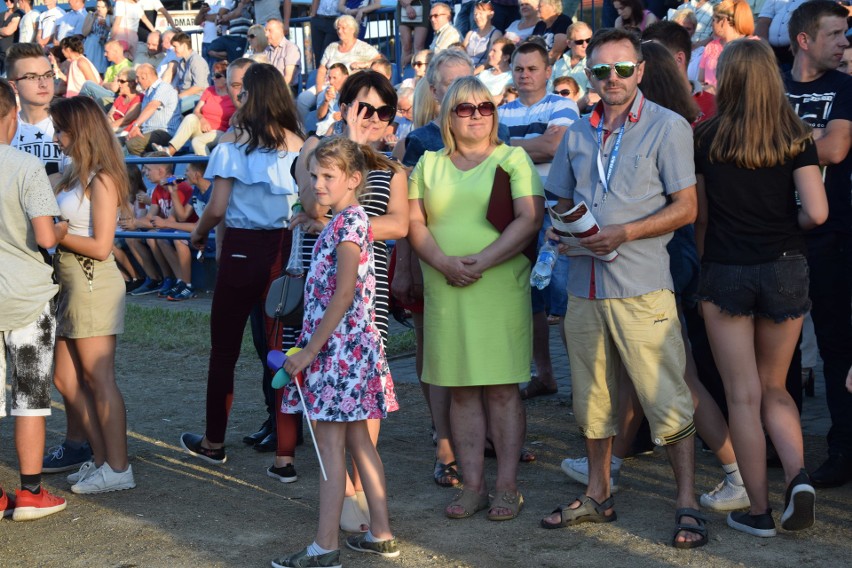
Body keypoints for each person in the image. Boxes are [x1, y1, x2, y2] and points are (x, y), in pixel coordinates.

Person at [540, 28, 707, 549]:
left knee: (667, 398)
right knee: (592, 399)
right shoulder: (577, 133)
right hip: (585, 287)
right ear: (588, 74)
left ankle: (687, 502)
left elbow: (687, 208)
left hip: (642, 285)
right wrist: (558, 229)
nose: (611, 79)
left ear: (640, 71)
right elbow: (557, 199)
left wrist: (626, 231)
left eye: (622, 69)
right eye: (600, 71)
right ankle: (598, 493)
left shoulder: (669, 125)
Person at [694, 38, 828, 536]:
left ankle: (759, 513)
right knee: (775, 387)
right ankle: (797, 475)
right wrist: (782, 222)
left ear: (725, 80)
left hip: (726, 268)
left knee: (741, 396)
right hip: (785, 265)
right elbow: (817, 212)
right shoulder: (795, 135)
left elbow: (702, 217)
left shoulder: (705, 137)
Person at [408, 75, 543, 521]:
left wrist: (480, 261)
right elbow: (416, 224)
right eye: (466, 108)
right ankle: (473, 485)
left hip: (499, 288)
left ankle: (507, 486)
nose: (478, 115)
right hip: (447, 289)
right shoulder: (428, 163)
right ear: (448, 115)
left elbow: (529, 219)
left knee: (503, 389)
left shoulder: (513, 158)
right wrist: (444, 264)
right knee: (462, 391)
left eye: (485, 107)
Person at [272, 135, 399, 568]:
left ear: (353, 179)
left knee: (331, 453)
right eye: (314, 176)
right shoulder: (346, 221)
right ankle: (380, 532)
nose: (318, 184)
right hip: (350, 352)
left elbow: (343, 294)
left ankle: (325, 547)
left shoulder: (348, 224)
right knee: (360, 443)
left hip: (338, 354)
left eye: (328, 176)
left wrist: (308, 351)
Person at [291, 70, 407, 527]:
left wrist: (348, 231)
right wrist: (349, 142)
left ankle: (357, 505)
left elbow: (400, 225)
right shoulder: (317, 152)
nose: (374, 118)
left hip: (359, 293)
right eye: (364, 107)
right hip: (321, 286)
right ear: (345, 107)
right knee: (332, 410)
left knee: (360, 413)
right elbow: (309, 204)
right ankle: (353, 505)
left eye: (383, 111)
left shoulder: (391, 167)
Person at [179, 63, 304, 466]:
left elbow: (216, 209)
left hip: (241, 249)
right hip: (285, 252)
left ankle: (214, 443)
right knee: (280, 350)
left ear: (250, 95)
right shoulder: (299, 144)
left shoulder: (231, 144)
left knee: (224, 352)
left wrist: (197, 235)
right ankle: (285, 454)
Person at [50, 96, 136, 495]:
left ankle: (117, 467)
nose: (56, 137)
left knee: (99, 379)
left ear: (79, 131)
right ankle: (101, 461)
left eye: (61, 129)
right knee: (65, 378)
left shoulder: (102, 178)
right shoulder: (74, 174)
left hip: (91, 281)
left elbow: (102, 246)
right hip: (70, 283)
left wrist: (60, 234)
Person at [785, 0, 852, 489]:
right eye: (835, 34)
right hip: (777, 235)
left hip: (833, 237)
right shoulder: (773, 88)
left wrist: (778, 140)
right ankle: (778, 449)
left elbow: (835, 149)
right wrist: (812, 134)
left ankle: (842, 449)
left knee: (835, 348)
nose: (845, 42)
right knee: (779, 354)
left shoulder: (846, 87)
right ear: (805, 39)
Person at [0, 77, 69, 522]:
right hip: (26, 294)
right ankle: (30, 492)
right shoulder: (24, 165)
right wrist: (62, 230)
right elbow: (46, 236)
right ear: (11, 118)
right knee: (30, 396)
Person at [499, 40, 578, 401]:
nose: (525, 75)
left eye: (532, 68)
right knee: (531, 301)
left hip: (555, 213)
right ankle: (545, 375)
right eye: (519, 69)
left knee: (563, 300)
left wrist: (502, 148)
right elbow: (542, 145)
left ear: (548, 71)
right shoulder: (501, 112)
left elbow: (554, 146)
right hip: (516, 214)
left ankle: (583, 384)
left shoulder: (563, 104)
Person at [153, 60, 236, 156]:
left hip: (220, 132)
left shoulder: (233, 95)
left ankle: (206, 169)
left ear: (227, 79)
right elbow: (196, 110)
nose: (213, 78)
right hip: (201, 128)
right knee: (190, 118)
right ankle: (169, 151)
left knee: (197, 142)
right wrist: (202, 119)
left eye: (217, 76)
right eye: (213, 75)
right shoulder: (209, 90)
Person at [125, 63, 182, 156]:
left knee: (133, 144)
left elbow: (153, 105)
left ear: (145, 76)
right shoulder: (148, 92)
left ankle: (151, 165)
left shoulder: (164, 87)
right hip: (148, 131)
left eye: (137, 77)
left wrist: (136, 125)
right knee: (116, 142)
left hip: (164, 132)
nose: (136, 80)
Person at [698, 0, 754, 94]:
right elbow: (700, 80)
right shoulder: (711, 46)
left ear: (723, 22)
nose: (712, 24)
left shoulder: (752, 46)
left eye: (713, 20)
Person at [552, 21, 595, 110]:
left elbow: (592, 97)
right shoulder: (558, 64)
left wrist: (571, 111)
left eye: (588, 40)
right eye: (579, 42)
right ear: (569, 43)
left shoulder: (595, 63)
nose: (585, 45)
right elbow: (550, 93)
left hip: (584, 115)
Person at [78, 39, 133, 109]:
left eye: (107, 52)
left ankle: (77, 108)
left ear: (115, 52)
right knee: (95, 101)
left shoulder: (127, 66)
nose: (105, 54)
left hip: (119, 97)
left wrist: (106, 85)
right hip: (109, 95)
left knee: (88, 85)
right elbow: (103, 85)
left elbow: (114, 88)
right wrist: (108, 84)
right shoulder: (109, 69)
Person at [756, 0, 809, 69]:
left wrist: (797, 43)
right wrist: (763, 45)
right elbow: (763, 20)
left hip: (796, 50)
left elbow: (813, 22)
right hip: (770, 50)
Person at [171, 31, 210, 113]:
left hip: (197, 97)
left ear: (184, 46)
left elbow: (199, 87)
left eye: (175, 46)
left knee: (171, 109)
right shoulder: (181, 62)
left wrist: (178, 97)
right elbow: (177, 85)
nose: (173, 50)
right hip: (184, 96)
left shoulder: (196, 61)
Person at [464, 0, 503, 72]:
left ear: (491, 15)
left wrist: (473, 73)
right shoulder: (470, 34)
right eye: (475, 14)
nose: (477, 17)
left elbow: (489, 62)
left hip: (482, 72)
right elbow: (461, 54)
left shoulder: (495, 34)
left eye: (480, 13)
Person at [264, 18, 301, 88]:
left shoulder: (291, 48)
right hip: (269, 90)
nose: (266, 34)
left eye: (269, 31)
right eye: (265, 31)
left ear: (280, 31)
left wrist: (272, 90)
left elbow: (288, 79)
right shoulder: (266, 50)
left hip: (286, 89)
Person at [476, 37, 514, 103]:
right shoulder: (484, 73)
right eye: (491, 50)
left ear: (506, 57)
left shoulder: (510, 77)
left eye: (494, 51)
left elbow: (502, 98)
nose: (490, 54)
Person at [82, 0, 113, 75]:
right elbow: (84, 32)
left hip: (103, 45)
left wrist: (106, 25)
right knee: (88, 69)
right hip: (90, 44)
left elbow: (113, 32)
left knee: (100, 70)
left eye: (103, 7)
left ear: (107, 8)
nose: (100, 9)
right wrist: (92, 19)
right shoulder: (90, 15)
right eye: (98, 6)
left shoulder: (111, 18)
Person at [399, 0, 430, 73]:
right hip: (402, 5)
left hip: (422, 5)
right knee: (406, 46)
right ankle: (404, 74)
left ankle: (420, 74)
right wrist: (407, 5)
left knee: (419, 46)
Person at [0, 0, 23, 77]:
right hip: (0, 52)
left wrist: (4, 31)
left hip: (10, 53)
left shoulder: (19, 14)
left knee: (6, 79)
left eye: (11, 0)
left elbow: (8, 31)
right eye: (6, 0)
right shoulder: (1, 14)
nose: (8, 2)